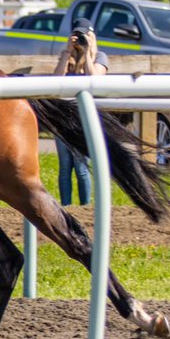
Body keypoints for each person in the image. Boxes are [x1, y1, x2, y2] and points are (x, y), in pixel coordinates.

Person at [53, 18, 108, 206]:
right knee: (64, 168)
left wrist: (87, 53)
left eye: (83, 35)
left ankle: (85, 207)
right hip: (62, 117)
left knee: (81, 166)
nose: (79, 39)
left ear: (91, 36)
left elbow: (94, 80)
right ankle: (66, 206)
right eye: (76, 35)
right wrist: (68, 51)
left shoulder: (100, 57)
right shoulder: (67, 57)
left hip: (83, 118)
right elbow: (55, 81)